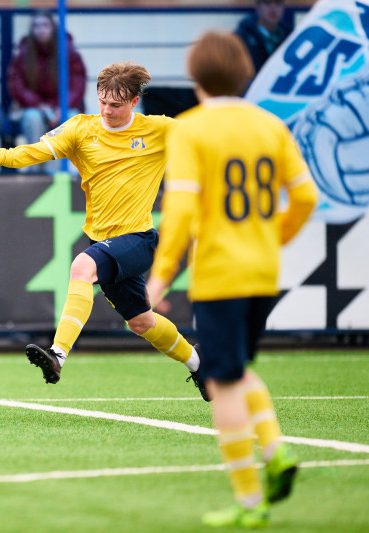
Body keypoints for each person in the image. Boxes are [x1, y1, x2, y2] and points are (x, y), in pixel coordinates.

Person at [145, 32, 317, 528]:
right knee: (236, 370)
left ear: (195, 78)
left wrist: (161, 278)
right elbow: (304, 197)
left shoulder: (191, 131)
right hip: (263, 270)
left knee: (222, 385)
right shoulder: (270, 125)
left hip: (220, 273)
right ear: (245, 73)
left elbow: (179, 212)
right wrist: (272, 238)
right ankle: (277, 451)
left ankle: (249, 501)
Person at [0, 61, 207, 400]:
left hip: (139, 239)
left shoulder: (159, 129)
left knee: (82, 266)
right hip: (105, 242)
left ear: (134, 102)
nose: (107, 110)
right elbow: (35, 151)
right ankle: (200, 364)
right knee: (142, 323)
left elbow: (207, 136)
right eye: (103, 101)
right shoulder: (81, 129)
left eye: (116, 104)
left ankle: (58, 355)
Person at [7, 10, 86, 173]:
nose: (40, 30)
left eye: (45, 25)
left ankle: (54, 172)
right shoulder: (24, 52)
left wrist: (59, 108)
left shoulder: (68, 51)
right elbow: (17, 84)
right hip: (34, 107)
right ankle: (34, 169)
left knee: (68, 119)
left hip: (62, 106)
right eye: (36, 26)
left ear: (53, 28)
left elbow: (77, 85)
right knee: (32, 118)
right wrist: (38, 105)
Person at [234, 0, 293, 78]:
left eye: (278, 3)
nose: (273, 9)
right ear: (258, 7)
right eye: (267, 3)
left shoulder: (290, 35)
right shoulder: (242, 36)